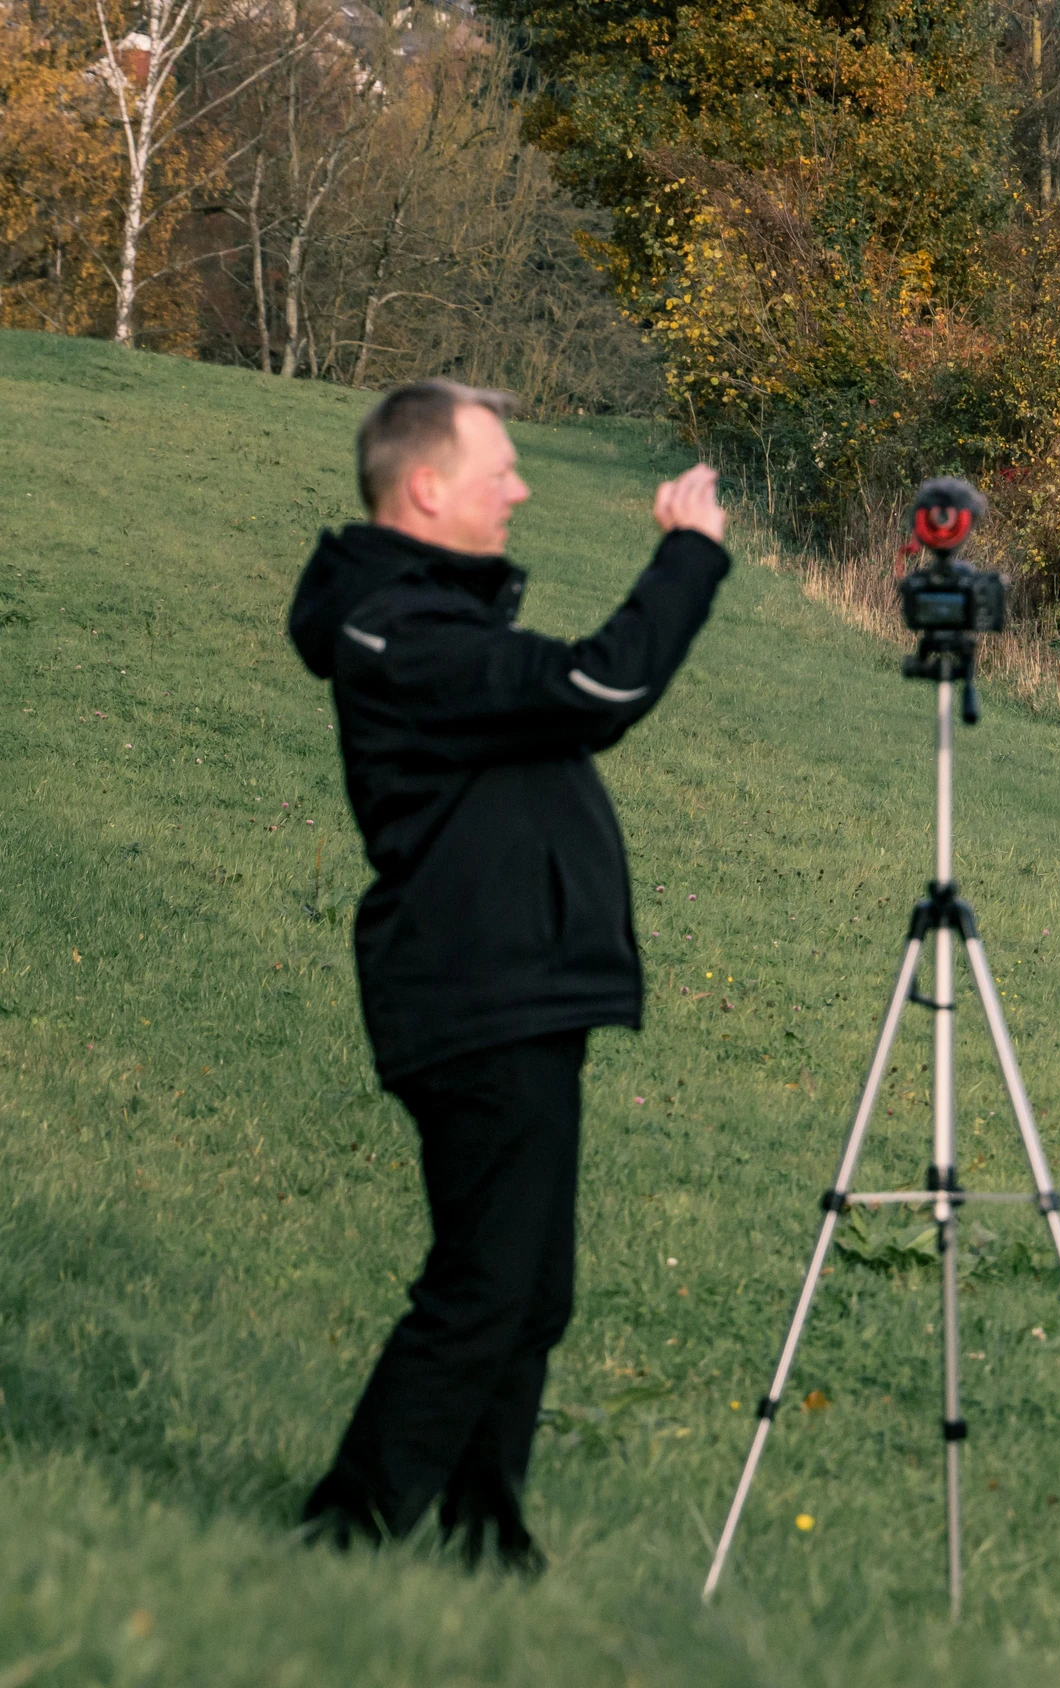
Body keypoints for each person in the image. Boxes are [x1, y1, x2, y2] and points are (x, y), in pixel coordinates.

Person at [284, 380, 730, 1571]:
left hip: (517, 989)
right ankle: (344, 1530)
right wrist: (688, 556)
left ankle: (487, 1538)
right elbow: (601, 687)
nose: (522, 490)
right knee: (485, 1281)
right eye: (502, 471)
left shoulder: (421, 615)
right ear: (428, 488)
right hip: (473, 990)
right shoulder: (403, 633)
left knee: (529, 1291)